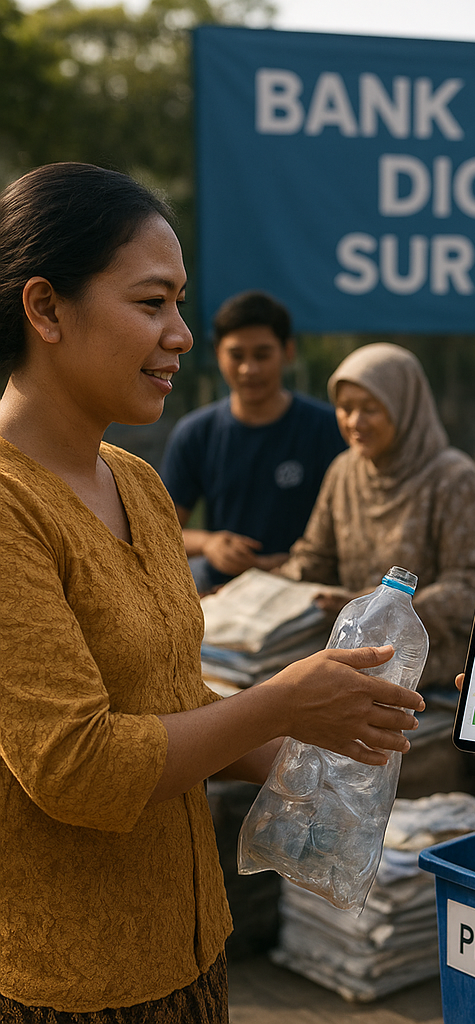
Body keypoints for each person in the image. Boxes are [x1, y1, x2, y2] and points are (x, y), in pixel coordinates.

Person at [0, 162, 424, 1019]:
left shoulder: (138, 484)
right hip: (72, 984)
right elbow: (78, 766)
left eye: (180, 304)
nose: (183, 335)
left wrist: (319, 766)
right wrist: (278, 702)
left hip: (190, 951)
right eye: (151, 303)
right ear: (45, 308)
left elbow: (168, 699)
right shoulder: (10, 505)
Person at [277, 342, 475, 691]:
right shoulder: (344, 471)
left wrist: (379, 607)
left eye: (370, 409)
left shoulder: (453, 478)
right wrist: (256, 590)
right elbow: (314, 558)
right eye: (345, 408)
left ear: (403, 406)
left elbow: (469, 588)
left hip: (424, 660)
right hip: (350, 646)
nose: (354, 422)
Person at [160, 290, 345, 593]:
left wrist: (297, 563)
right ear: (218, 353)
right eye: (236, 355)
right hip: (224, 591)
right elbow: (160, 531)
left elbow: (354, 530)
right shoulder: (195, 433)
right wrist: (209, 543)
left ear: (288, 351)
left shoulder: (329, 429)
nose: (249, 369)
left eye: (262, 355)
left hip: (307, 589)